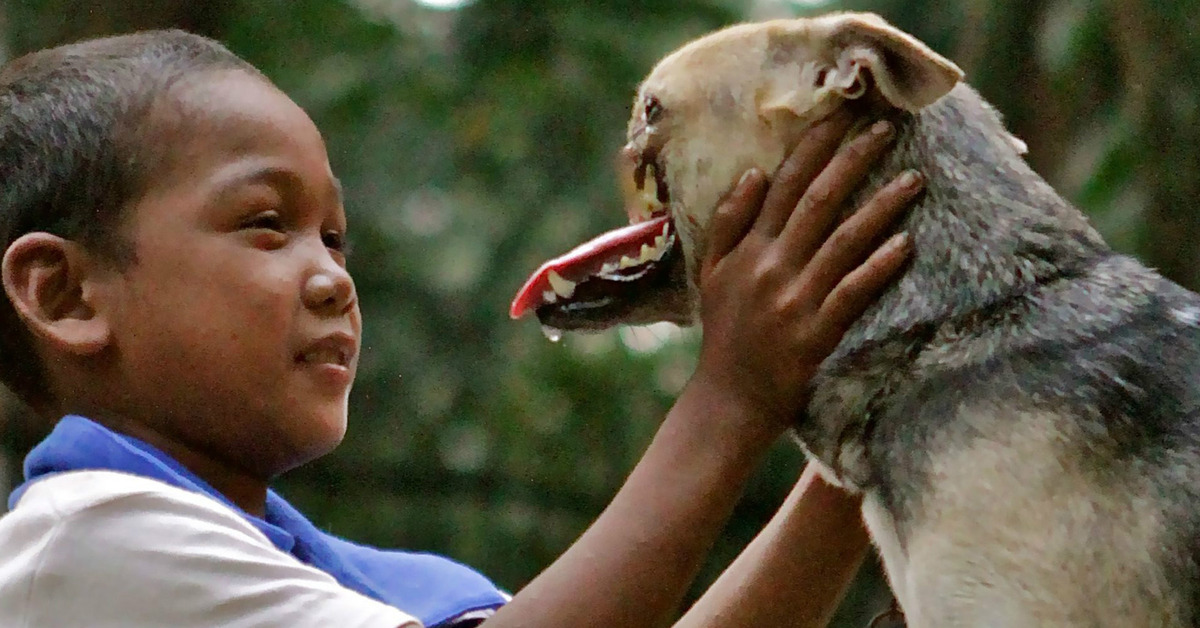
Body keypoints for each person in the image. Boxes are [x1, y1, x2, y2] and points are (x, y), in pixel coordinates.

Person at [0, 29, 921, 628]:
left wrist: (856, 459)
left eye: (336, 239)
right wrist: (735, 395)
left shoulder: (330, 577)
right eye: (264, 225)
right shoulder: (84, 543)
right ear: (65, 296)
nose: (331, 279)